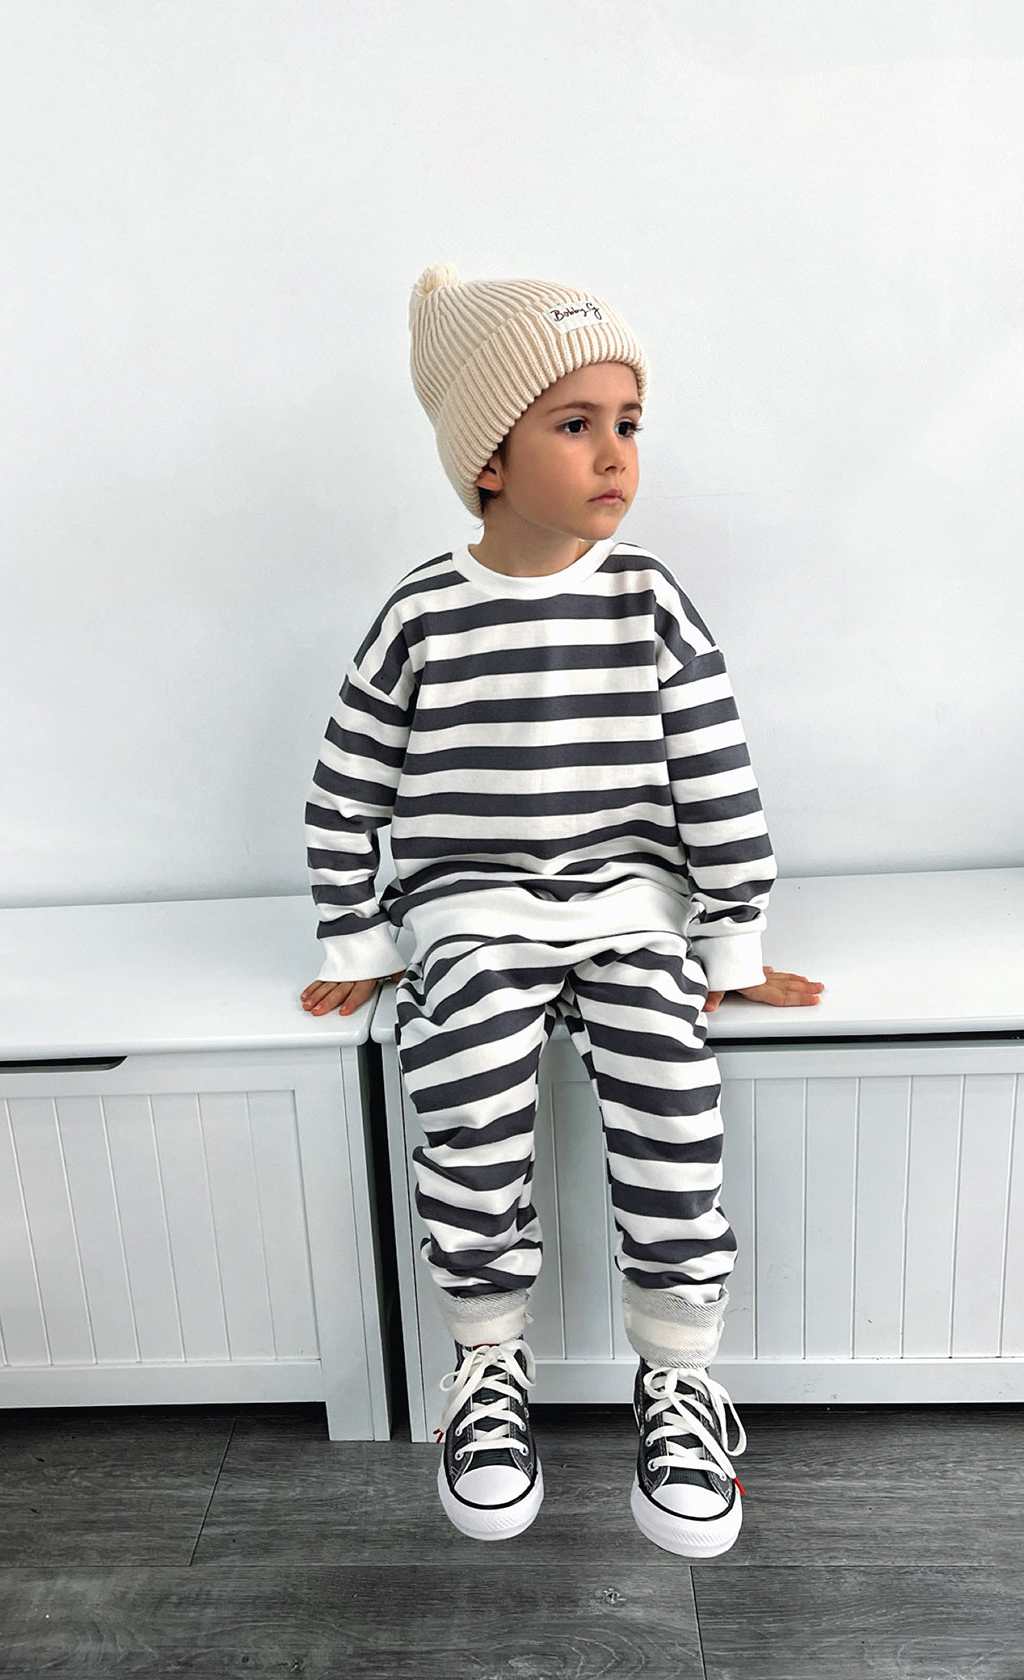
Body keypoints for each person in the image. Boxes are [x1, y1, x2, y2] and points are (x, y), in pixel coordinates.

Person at [301, 262, 823, 1557]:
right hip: (470, 911)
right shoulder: (423, 614)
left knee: (671, 1093)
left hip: (630, 911)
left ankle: (681, 1374)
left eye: (629, 423)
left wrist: (735, 939)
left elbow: (717, 778)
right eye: (574, 424)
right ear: (487, 455)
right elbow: (345, 783)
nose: (615, 456)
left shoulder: (649, 605)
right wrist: (360, 939)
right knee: (464, 1096)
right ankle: (484, 1370)